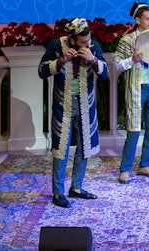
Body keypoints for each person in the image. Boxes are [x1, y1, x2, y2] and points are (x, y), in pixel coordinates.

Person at [37, 17, 109, 208]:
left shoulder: (94, 47)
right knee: (61, 149)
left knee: (85, 146)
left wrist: (92, 59)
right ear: (72, 40)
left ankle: (76, 187)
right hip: (63, 105)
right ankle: (58, 192)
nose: (88, 43)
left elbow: (105, 73)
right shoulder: (56, 45)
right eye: (83, 42)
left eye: (89, 39)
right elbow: (42, 71)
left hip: (86, 104)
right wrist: (61, 60)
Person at [114, 2, 149, 184]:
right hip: (136, 88)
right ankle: (125, 169)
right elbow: (117, 65)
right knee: (133, 129)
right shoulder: (128, 40)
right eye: (148, 18)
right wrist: (132, 59)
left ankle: (145, 164)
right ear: (138, 20)